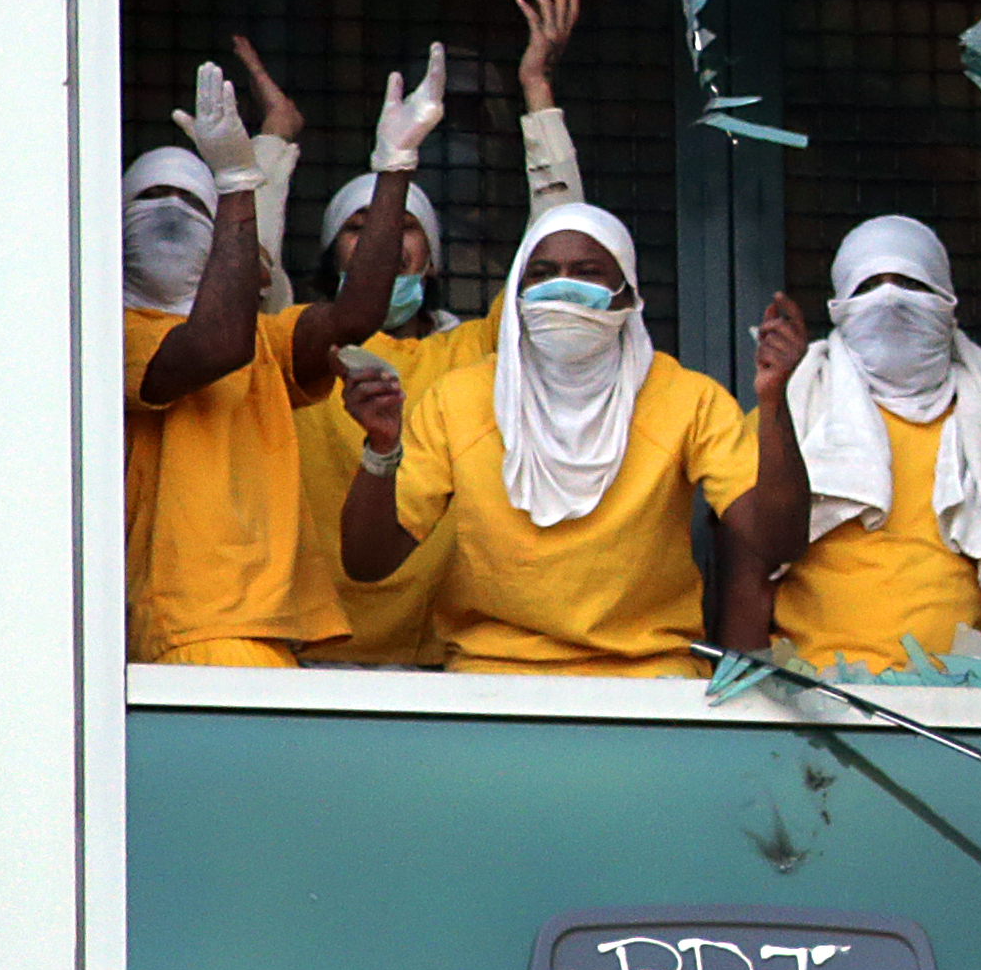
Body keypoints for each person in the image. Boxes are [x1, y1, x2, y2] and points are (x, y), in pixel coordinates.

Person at [337, 204, 811, 677]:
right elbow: (368, 562)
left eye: (587, 272)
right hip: (493, 679)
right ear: (517, 297)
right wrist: (381, 449)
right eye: (542, 274)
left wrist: (774, 404)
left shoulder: (687, 399)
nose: (562, 289)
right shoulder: (458, 400)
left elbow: (776, 543)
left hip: (650, 678)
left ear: (628, 296)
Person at [293, 0, 595, 666]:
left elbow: (560, 251)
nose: (387, 242)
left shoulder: (472, 352)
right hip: (305, 661)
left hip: (439, 665)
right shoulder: (298, 346)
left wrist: (537, 93)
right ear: (329, 254)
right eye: (359, 231)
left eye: (405, 228)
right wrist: (274, 152)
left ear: (431, 259)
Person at [123, 53, 429, 666]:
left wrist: (393, 168)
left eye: (189, 202)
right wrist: (236, 183)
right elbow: (215, 344)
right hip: (192, 629)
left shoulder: (267, 339)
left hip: (272, 634)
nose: (168, 214)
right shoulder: (118, 337)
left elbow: (355, 315)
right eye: (149, 198)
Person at [764, 215, 981, 675]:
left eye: (909, 283)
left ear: (947, 303)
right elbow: (752, 560)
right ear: (840, 308)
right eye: (868, 287)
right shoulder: (798, 410)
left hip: (975, 697)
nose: (889, 300)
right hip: (818, 693)